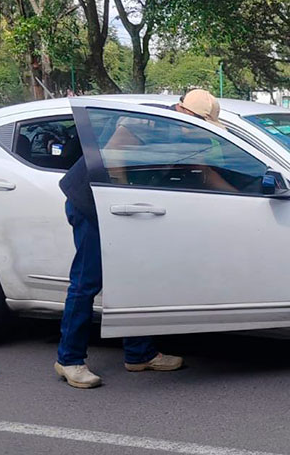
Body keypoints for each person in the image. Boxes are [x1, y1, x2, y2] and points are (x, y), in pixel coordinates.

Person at [55, 137, 183, 390]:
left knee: (135, 276)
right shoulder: (142, 125)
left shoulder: (182, 134)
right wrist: (124, 203)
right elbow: (113, 155)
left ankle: (139, 353)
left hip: (122, 206)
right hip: (93, 203)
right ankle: (69, 360)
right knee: (87, 280)